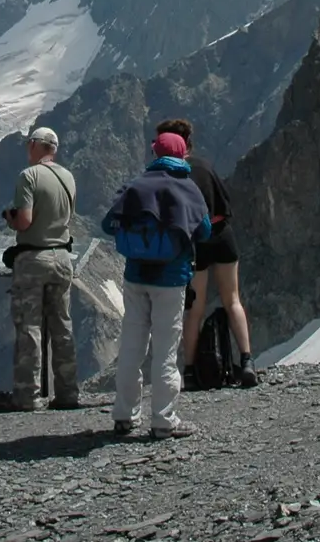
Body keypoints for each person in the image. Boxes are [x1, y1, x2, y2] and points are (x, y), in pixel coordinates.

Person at [101, 130, 211, 439]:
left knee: (132, 347)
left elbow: (108, 223)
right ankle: (163, 420)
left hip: (136, 276)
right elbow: (203, 231)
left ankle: (124, 415)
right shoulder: (187, 188)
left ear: (155, 153)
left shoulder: (135, 186)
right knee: (165, 350)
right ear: (181, 155)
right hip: (171, 279)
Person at [162, 119, 259, 388]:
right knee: (233, 300)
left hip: (196, 242)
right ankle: (248, 360)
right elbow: (225, 201)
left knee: (195, 307)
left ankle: (191, 371)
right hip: (223, 235)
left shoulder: (174, 174)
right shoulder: (205, 166)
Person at [0, 126, 79, 411]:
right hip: (62, 258)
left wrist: (11, 218)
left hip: (34, 259)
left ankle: (27, 395)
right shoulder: (68, 176)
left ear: (34, 145)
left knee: (29, 327)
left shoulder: (28, 176)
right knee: (62, 325)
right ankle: (68, 392)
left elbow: (25, 221)